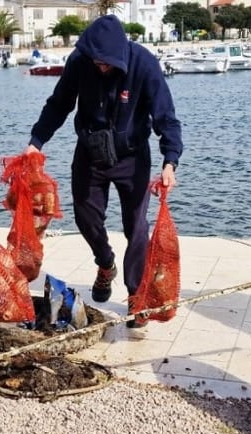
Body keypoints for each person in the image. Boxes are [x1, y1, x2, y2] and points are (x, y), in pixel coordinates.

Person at [25, 14, 181, 314]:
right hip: (90, 152)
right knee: (85, 218)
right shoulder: (80, 62)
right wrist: (36, 141)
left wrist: (170, 160)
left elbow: (166, 116)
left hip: (132, 157)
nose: (101, 66)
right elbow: (59, 104)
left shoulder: (143, 63)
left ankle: (137, 298)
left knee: (136, 228)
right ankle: (105, 262)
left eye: (106, 62)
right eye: (96, 61)